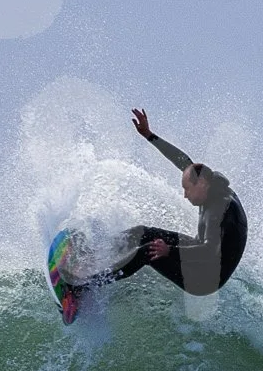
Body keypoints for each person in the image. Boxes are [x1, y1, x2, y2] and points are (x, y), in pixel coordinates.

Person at [99, 109, 248, 296]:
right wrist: (149, 135)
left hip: (204, 278)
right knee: (143, 232)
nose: (185, 195)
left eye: (187, 189)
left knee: (149, 251)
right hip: (199, 248)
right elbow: (182, 161)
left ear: (201, 183)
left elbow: (210, 252)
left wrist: (169, 250)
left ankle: (88, 284)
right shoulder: (207, 181)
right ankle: (98, 252)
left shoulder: (221, 209)